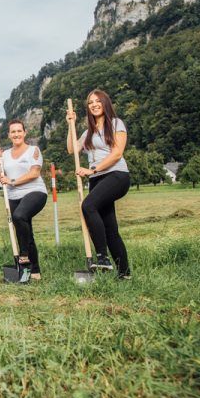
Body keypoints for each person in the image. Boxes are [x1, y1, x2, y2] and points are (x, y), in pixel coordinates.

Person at [66, 89, 131, 279]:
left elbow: (117, 153)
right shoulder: (88, 132)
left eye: (97, 101)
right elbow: (72, 149)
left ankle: (102, 257)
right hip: (97, 180)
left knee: (88, 205)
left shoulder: (116, 123)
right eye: (90, 102)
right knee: (110, 228)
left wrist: (93, 170)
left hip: (116, 175)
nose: (94, 104)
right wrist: (70, 125)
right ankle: (124, 274)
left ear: (105, 103)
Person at [0, 119, 47, 280]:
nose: (16, 134)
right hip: (13, 196)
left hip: (34, 192)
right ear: (9, 135)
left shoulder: (33, 150)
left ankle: (23, 255)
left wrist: (13, 181)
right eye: (13, 132)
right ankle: (34, 271)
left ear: (24, 133)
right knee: (24, 231)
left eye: (19, 131)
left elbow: (34, 173)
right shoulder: (5, 155)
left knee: (19, 216)